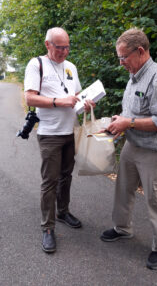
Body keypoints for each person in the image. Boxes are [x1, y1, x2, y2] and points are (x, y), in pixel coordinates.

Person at [100, 28, 157, 270]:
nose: (121, 63)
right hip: (132, 146)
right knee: (123, 191)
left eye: (123, 57)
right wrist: (120, 120)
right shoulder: (134, 75)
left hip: (155, 152)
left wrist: (129, 123)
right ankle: (122, 229)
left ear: (140, 51)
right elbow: (134, 112)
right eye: (119, 58)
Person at [24, 27, 94, 253]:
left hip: (70, 132)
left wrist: (87, 102)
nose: (64, 51)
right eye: (59, 47)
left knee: (66, 176)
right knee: (50, 181)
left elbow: (78, 96)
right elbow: (30, 97)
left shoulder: (71, 67)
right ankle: (47, 227)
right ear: (47, 45)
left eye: (67, 46)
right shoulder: (37, 65)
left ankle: (63, 212)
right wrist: (58, 102)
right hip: (50, 134)